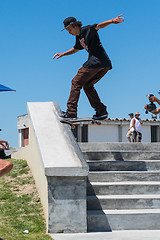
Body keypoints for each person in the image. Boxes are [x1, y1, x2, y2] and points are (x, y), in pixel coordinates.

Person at [53, 15, 124, 120]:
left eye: (69, 29)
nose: (69, 32)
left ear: (74, 25)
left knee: (76, 82)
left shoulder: (86, 29)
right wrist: (63, 54)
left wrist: (112, 21)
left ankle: (71, 112)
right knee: (87, 85)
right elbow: (76, 49)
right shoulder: (79, 37)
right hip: (104, 64)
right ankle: (101, 111)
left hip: (95, 62)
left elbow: (98, 26)